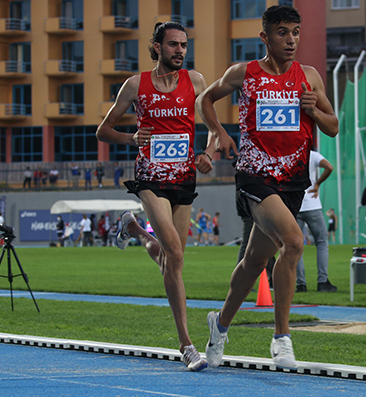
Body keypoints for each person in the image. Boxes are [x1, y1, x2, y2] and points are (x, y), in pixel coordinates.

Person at [197, 5, 339, 370]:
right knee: (293, 242)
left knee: (254, 261)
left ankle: (220, 326)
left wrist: (314, 112)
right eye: (282, 33)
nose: (290, 40)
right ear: (265, 37)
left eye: (295, 32)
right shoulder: (244, 73)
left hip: (292, 181)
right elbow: (205, 99)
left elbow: (334, 126)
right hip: (255, 175)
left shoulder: (309, 77)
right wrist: (218, 132)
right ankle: (281, 338)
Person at [96, 21, 211, 371]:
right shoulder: (136, 85)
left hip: (184, 178)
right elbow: (104, 131)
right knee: (174, 253)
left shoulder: (197, 81)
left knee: (170, 261)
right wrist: (131, 139)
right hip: (150, 177)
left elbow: (209, 123)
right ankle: (187, 345)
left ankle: (133, 230)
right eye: (174, 44)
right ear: (158, 47)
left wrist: (205, 152)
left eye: (184, 45)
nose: (180, 50)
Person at [295, 150, 336, 293]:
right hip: (312, 205)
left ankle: (301, 284)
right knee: (322, 243)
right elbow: (329, 167)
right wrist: (317, 183)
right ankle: (322, 281)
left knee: (296, 246)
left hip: (294, 205)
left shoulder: (288, 154)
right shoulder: (312, 155)